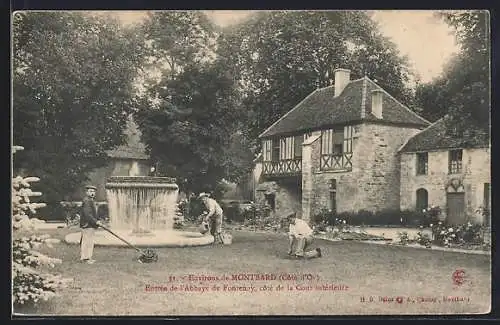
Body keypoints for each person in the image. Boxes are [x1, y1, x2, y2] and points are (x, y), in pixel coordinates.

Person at [79, 185, 102, 264]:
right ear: (86, 192)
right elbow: (87, 214)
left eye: (93, 191)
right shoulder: (87, 201)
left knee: (89, 241)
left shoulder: (90, 200)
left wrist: (97, 221)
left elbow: (93, 214)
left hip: (90, 225)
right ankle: (85, 258)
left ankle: (88, 257)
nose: (92, 193)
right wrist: (95, 221)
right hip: (87, 225)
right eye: (90, 191)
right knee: (87, 241)